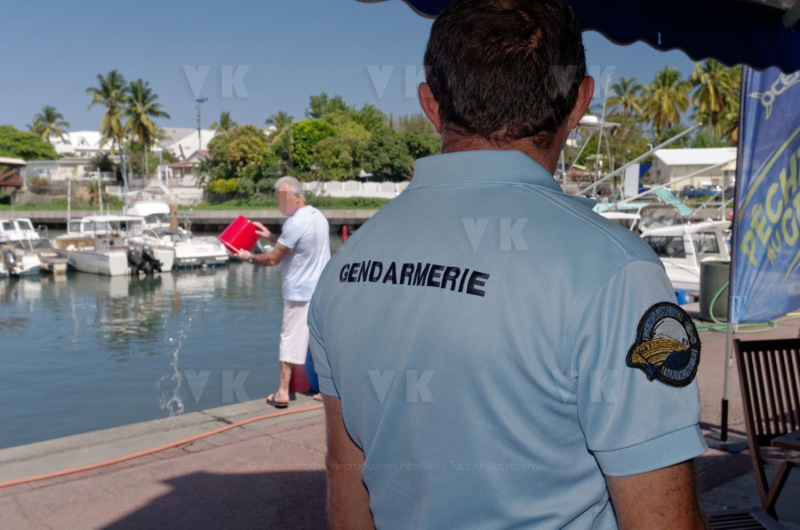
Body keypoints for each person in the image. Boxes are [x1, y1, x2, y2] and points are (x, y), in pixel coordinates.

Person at [308, 0, 707, 528]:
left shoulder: (346, 266)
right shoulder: (615, 272)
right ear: (579, 100)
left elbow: (346, 480)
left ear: (430, 105)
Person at [237, 176, 330, 408]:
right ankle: (325, 390)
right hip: (321, 290)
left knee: (289, 339)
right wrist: (269, 235)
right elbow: (294, 245)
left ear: (297, 197)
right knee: (319, 342)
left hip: (299, 293)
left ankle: (282, 393)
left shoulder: (295, 223)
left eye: (283, 198)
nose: (280, 204)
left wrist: (249, 258)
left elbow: (273, 259)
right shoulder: (318, 217)